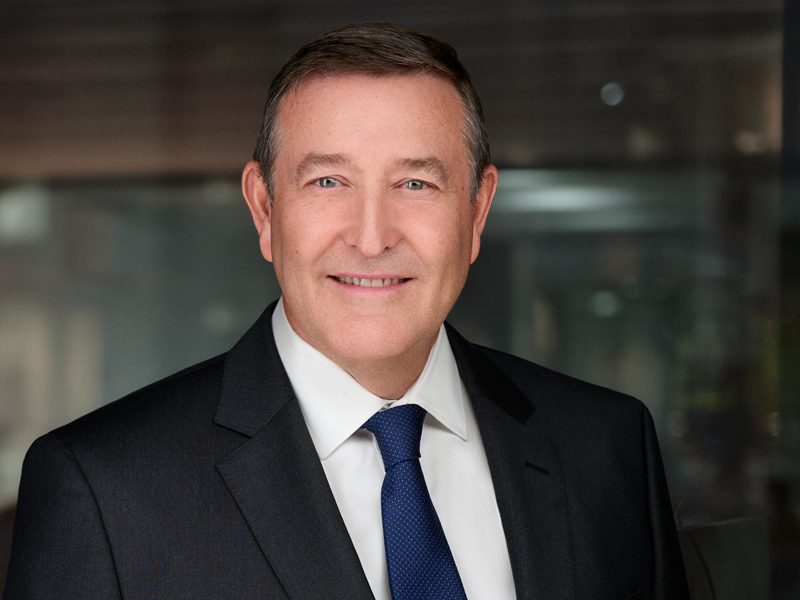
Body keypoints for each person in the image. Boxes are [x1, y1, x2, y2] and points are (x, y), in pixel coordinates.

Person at [3, 23, 689, 600]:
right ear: (265, 208)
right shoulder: (101, 488)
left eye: (415, 183)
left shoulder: (606, 446)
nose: (370, 235)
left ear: (476, 210)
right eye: (328, 181)